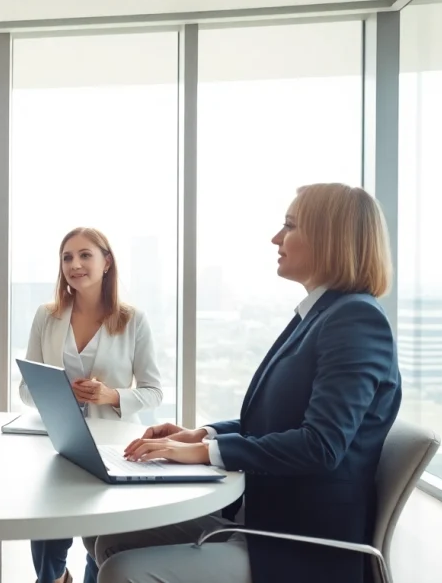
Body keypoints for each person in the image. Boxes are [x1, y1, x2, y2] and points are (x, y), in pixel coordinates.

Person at [93, 183, 402, 583]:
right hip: (262, 516)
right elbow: (279, 422)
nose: (276, 238)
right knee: (108, 540)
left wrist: (207, 452)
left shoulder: (356, 321)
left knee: (122, 570)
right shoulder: (319, 315)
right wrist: (199, 434)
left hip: (300, 544)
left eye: (289, 226)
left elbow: (321, 445)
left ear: (330, 238)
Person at [20, 227, 164, 583]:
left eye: (85, 255)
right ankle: (52, 577)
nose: (75, 264)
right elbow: (26, 389)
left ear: (107, 262)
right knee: (48, 532)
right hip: (58, 441)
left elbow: (153, 391)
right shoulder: (46, 316)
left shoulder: (132, 320)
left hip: (111, 445)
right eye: (67, 257)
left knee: (100, 539)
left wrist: (111, 396)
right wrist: (58, 391)